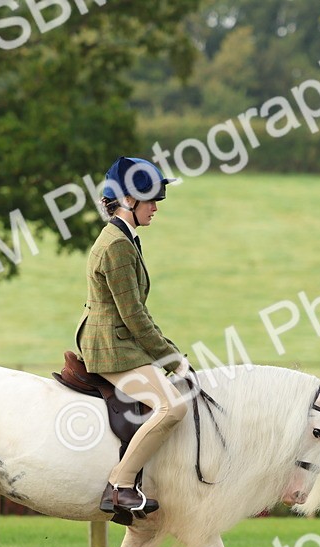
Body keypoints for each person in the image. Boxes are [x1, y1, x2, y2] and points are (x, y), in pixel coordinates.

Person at [74, 156, 190, 517]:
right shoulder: (117, 247)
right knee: (173, 407)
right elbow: (134, 315)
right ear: (127, 200)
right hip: (112, 346)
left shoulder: (125, 238)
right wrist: (173, 359)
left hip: (118, 339)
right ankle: (121, 484)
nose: (156, 208)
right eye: (151, 200)